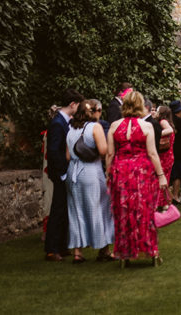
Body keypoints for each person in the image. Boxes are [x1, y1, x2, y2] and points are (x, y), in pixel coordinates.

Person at [106, 90, 167, 266]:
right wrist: (161, 175)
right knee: (144, 211)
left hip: (121, 171)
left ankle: (125, 251)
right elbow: (153, 153)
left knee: (123, 211)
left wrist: (108, 173)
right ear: (141, 105)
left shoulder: (114, 126)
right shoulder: (146, 126)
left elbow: (110, 153)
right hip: (142, 171)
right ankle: (149, 249)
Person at [65, 99, 114, 262]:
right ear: (93, 112)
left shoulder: (71, 128)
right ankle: (103, 248)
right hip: (90, 170)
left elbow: (67, 156)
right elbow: (103, 150)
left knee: (76, 210)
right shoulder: (95, 127)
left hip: (72, 172)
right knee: (99, 207)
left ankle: (78, 252)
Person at [45, 88, 83, 261]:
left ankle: (61, 244)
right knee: (58, 209)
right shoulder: (58, 123)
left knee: (65, 209)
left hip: (65, 171)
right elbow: (53, 150)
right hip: (60, 172)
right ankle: (52, 249)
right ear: (72, 104)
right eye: (78, 106)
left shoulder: (65, 121)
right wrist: (62, 172)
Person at [168, 100, 181, 204]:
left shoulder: (167, 121)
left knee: (170, 174)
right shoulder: (180, 122)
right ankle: (175, 195)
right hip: (179, 151)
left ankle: (170, 196)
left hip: (168, 151)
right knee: (178, 175)